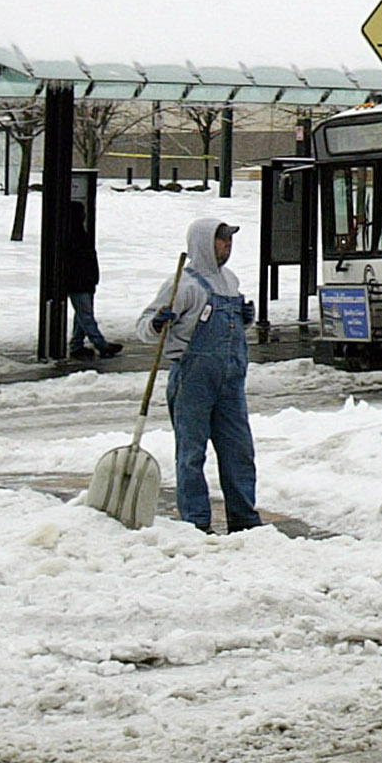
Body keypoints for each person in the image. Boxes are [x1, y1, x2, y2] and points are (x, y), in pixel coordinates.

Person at [147, 216, 262, 532]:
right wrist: (157, 322)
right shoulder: (182, 286)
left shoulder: (231, 281)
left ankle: (244, 519)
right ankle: (196, 521)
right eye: (221, 240)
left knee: (239, 451)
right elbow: (144, 327)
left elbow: (230, 327)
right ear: (203, 243)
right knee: (191, 453)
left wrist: (245, 318)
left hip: (230, 382)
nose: (227, 246)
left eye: (229, 240)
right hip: (193, 380)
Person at [63, 203, 117, 359]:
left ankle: (76, 345)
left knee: (82, 315)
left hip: (83, 280)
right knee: (86, 315)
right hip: (80, 281)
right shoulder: (76, 234)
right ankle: (100, 344)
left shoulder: (74, 232)